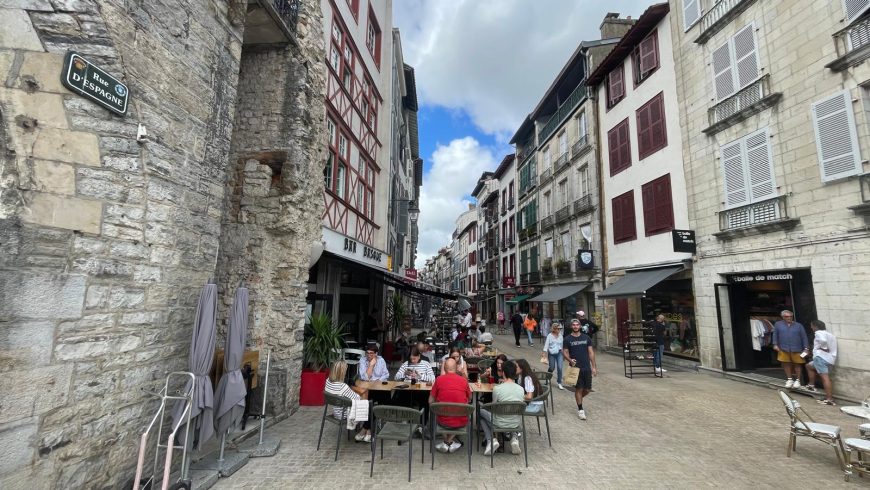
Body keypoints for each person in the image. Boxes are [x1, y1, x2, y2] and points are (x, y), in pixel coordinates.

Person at [480, 360, 525, 456]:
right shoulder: (521, 389)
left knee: (481, 412)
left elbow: (493, 406)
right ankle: (514, 438)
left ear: (503, 373)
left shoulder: (498, 389)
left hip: (499, 422)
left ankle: (491, 440)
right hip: (515, 423)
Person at [428, 358, 472, 453]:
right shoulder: (464, 381)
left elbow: (430, 401)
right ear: (456, 368)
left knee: (435, 411)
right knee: (463, 412)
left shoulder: (439, 380)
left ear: (444, 368)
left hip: (442, 421)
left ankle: (446, 442)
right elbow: (470, 398)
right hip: (460, 421)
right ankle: (450, 442)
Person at [324, 360, 371, 442]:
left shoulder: (328, 381)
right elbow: (357, 399)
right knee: (370, 406)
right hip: (344, 414)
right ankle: (366, 431)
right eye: (345, 370)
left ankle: (365, 431)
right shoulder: (342, 386)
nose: (346, 372)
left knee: (364, 399)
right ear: (341, 372)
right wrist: (356, 390)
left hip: (336, 412)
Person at [563, 318, 597, 420]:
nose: (575, 326)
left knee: (587, 389)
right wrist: (569, 359)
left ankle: (578, 398)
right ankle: (580, 409)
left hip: (586, 367)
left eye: (577, 325)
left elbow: (591, 353)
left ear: (580, 326)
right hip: (575, 368)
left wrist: (594, 367)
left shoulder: (586, 338)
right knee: (579, 388)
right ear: (571, 326)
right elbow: (564, 352)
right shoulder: (567, 339)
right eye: (573, 325)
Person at [772, 309, 809, 389]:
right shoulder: (778, 324)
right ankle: (789, 379)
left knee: (798, 364)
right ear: (783, 317)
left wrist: (806, 348)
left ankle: (798, 380)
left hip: (797, 347)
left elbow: (804, 337)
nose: (789, 318)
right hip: (783, 347)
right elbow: (775, 334)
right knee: (786, 363)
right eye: (787, 316)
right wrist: (775, 344)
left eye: (791, 316)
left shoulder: (798, 325)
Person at [805, 320, 838, 405]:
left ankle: (829, 399)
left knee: (825, 378)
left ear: (815, 326)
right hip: (829, 358)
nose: (811, 328)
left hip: (820, 358)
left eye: (812, 326)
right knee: (808, 366)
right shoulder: (830, 335)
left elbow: (823, 341)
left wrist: (824, 348)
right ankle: (811, 385)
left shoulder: (818, 333)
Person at [542, 323, 564, 389]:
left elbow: (562, 346)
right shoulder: (549, 336)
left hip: (559, 353)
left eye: (560, 329)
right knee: (552, 367)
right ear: (554, 329)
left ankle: (559, 382)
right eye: (558, 329)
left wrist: (564, 355)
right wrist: (544, 353)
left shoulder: (561, 336)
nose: (559, 330)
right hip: (551, 353)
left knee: (560, 368)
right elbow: (546, 345)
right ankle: (547, 378)